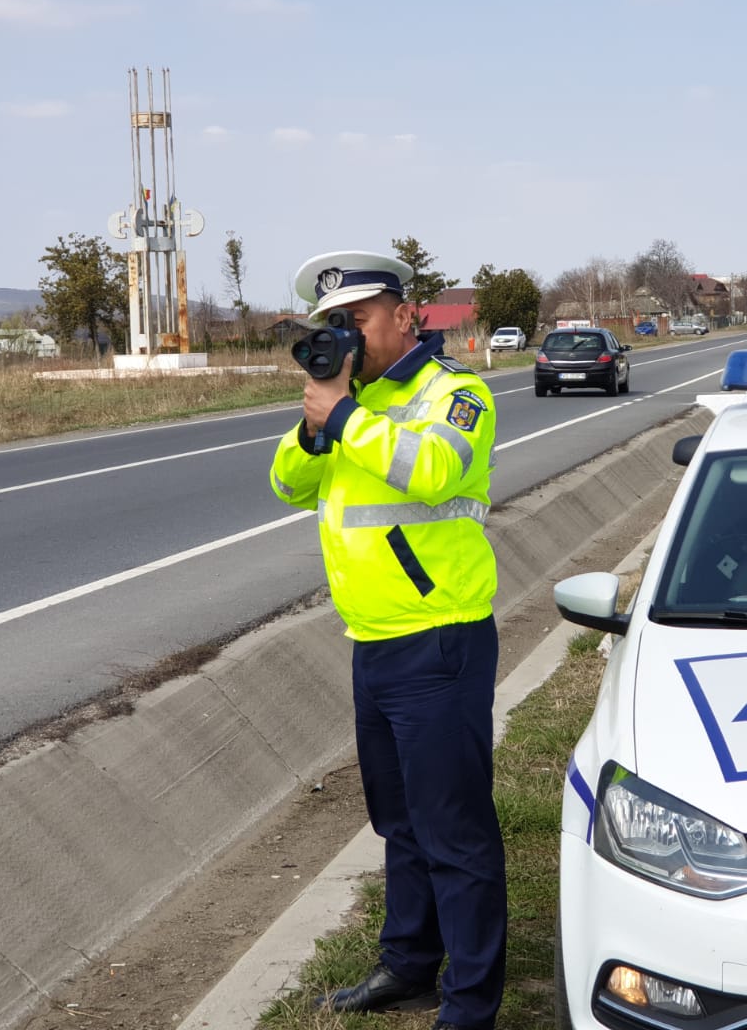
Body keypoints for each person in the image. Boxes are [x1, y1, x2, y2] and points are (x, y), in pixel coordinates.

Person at [269, 250, 506, 1030]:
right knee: (398, 823)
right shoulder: (347, 398)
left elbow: (435, 469)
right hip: (372, 641)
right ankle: (408, 964)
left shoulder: (456, 393)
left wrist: (341, 416)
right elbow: (286, 486)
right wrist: (317, 423)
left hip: (438, 643)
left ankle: (470, 1006)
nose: (346, 334)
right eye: (334, 321)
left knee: (454, 834)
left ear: (406, 317)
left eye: (358, 318)